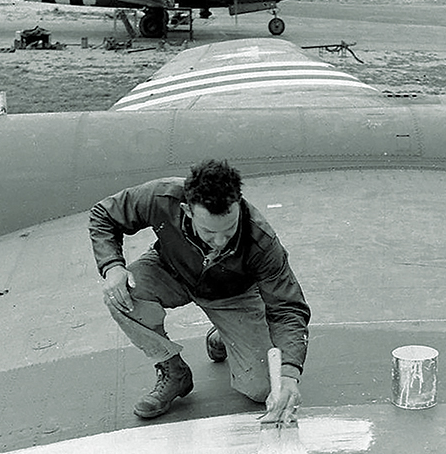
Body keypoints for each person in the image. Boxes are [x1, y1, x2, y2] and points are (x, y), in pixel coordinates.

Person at [89, 159, 310, 421]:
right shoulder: (161, 196)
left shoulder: (261, 241)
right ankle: (173, 371)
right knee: (121, 295)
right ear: (187, 210)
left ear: (238, 206)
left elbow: (288, 308)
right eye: (208, 231)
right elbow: (103, 214)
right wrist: (112, 266)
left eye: (229, 231)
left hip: (233, 296)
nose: (219, 241)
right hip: (171, 271)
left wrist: (289, 375)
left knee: (262, 388)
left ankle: (224, 334)